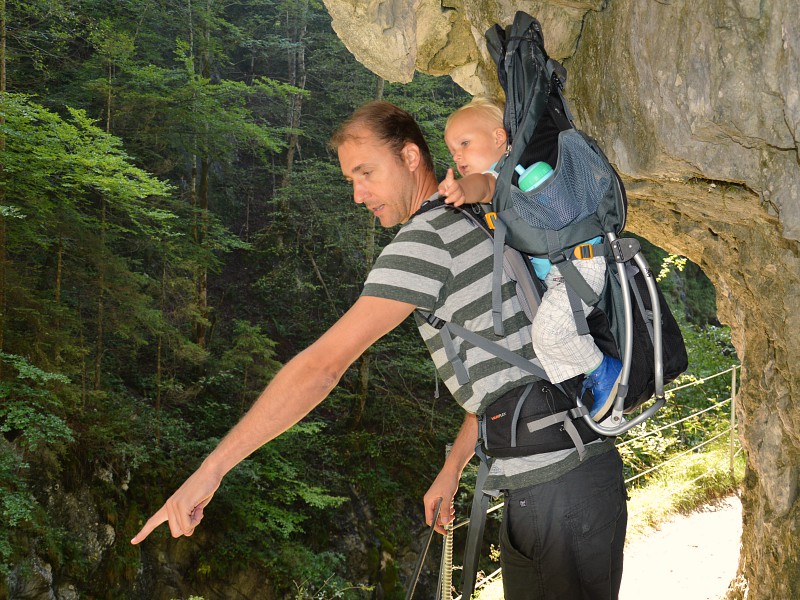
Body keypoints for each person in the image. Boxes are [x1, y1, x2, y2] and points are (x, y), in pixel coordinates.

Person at [131, 101, 627, 600]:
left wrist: (209, 471)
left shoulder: (425, 240)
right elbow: (511, 366)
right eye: (351, 179)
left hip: (553, 486)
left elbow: (323, 366)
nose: (357, 194)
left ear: (411, 157)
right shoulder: (481, 212)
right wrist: (452, 469)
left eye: (366, 172)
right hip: (576, 468)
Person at [438, 97, 622, 421]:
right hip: (565, 273)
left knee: (547, 334)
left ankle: (603, 371)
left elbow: (481, 185)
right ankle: (590, 376)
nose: (457, 155)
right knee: (546, 333)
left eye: (464, 143)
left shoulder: (505, 176)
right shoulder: (511, 174)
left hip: (580, 266)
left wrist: (461, 191)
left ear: (498, 138)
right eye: (453, 150)